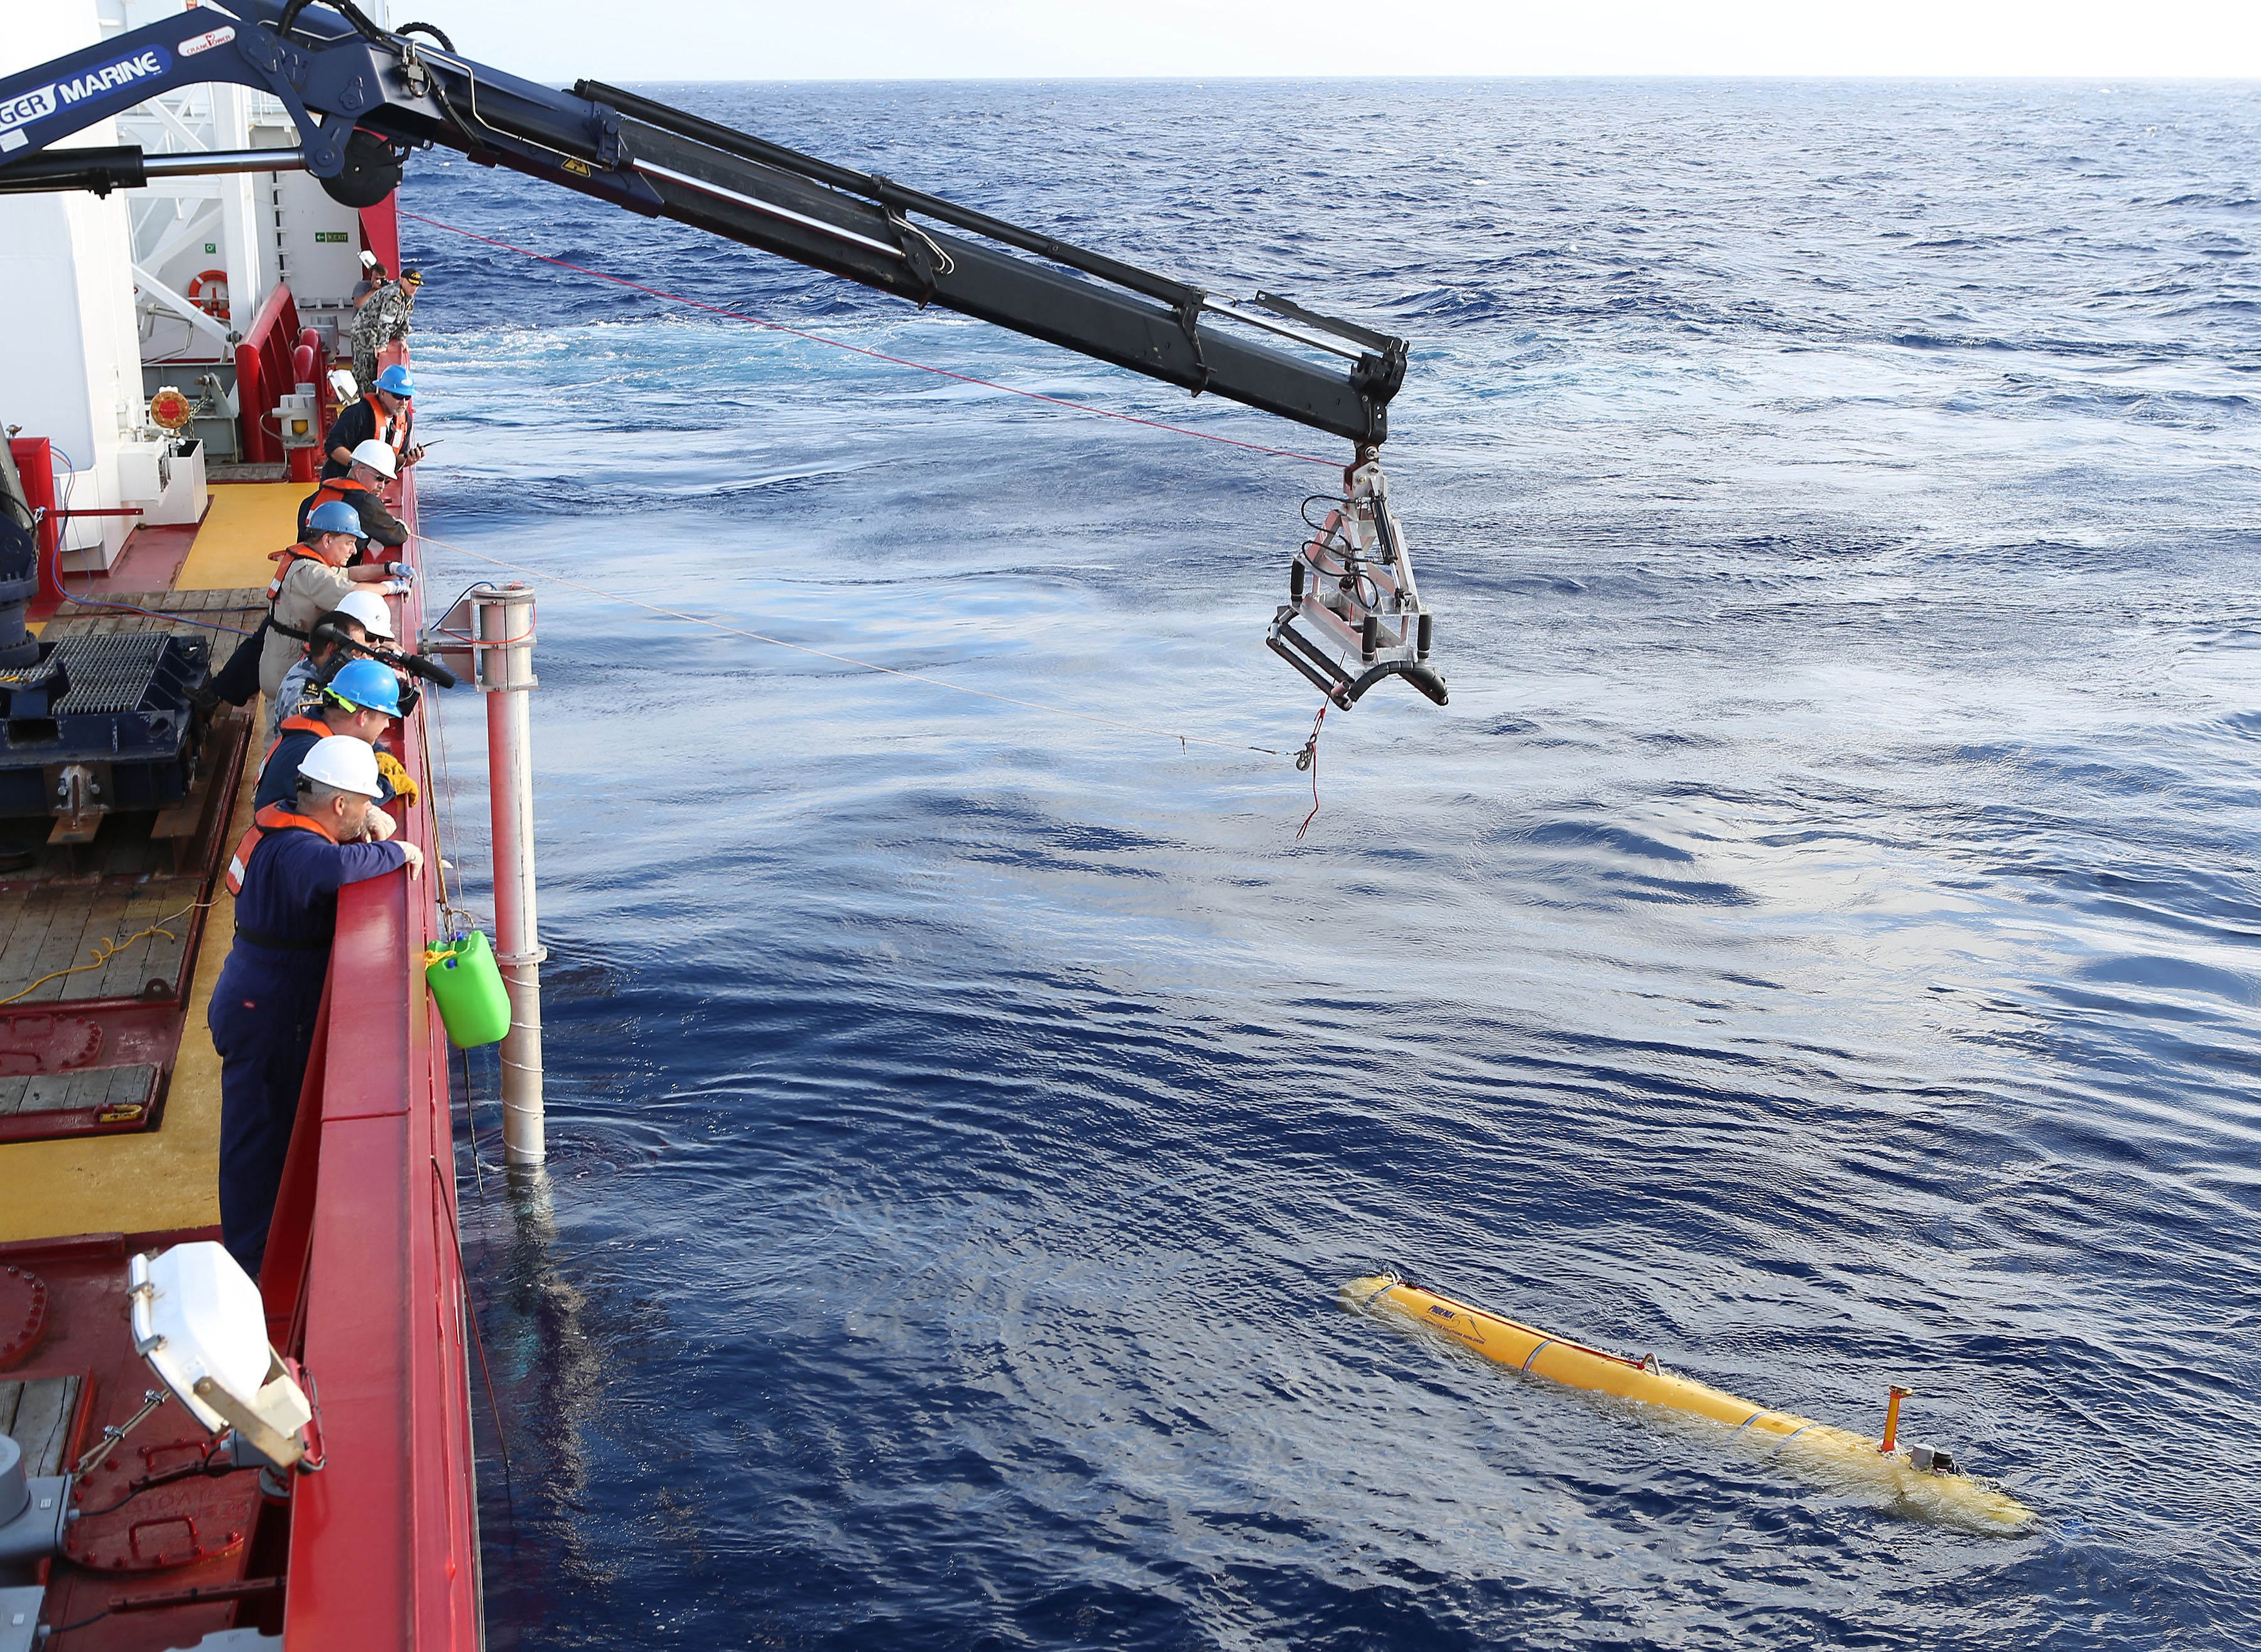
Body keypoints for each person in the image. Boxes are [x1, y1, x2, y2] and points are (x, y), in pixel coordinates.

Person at [212, 735, 422, 1275]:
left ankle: (263, 1248)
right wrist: (396, 850)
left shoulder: (278, 819)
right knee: (255, 1142)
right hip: (266, 1014)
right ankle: (252, 1266)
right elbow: (334, 871)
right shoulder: (304, 854)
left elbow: (330, 857)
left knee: (264, 1131)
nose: (372, 810)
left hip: (255, 994)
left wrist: (366, 831)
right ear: (338, 806)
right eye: (365, 804)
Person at [258, 499, 409, 704]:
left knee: (278, 721)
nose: (354, 551)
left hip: (278, 655)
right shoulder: (312, 574)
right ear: (328, 540)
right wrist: (392, 587)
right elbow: (354, 593)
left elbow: (349, 574)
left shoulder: (310, 558)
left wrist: (388, 568)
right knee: (287, 721)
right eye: (349, 543)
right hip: (287, 663)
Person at [256, 661, 403, 817]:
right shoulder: (312, 754)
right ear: (363, 718)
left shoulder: (319, 721)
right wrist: (388, 783)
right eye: (386, 717)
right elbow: (349, 803)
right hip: (285, 839)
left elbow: (369, 743)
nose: (387, 725)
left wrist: (382, 757)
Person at [268, 588, 394, 741]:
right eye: (358, 652)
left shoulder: (315, 666)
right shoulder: (306, 697)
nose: (368, 658)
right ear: (334, 649)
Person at [295, 438, 407, 552]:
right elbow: (397, 535)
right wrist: (401, 526)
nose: (382, 486)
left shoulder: (311, 499)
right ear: (359, 472)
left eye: (387, 481)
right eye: (379, 478)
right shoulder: (367, 503)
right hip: (339, 568)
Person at [322, 364, 422, 481]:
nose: (404, 402)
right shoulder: (358, 413)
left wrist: (408, 460)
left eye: (408, 397)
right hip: (341, 482)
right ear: (383, 393)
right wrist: (357, 465)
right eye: (398, 396)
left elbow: (398, 459)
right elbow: (333, 446)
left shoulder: (405, 421)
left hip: (374, 487)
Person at [347, 268, 421, 399]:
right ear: (402, 281)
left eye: (417, 285)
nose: (414, 288)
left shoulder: (409, 297)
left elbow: (405, 320)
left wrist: (402, 339)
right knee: (365, 371)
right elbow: (385, 322)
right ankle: (363, 401)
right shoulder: (394, 295)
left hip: (376, 332)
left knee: (372, 371)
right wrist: (381, 345)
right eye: (411, 284)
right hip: (366, 332)